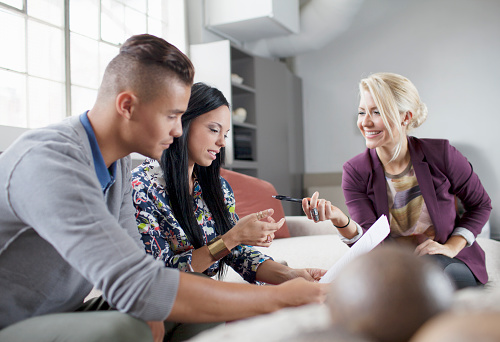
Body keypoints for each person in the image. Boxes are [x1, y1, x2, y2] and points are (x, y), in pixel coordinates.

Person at [0, 34, 327, 342]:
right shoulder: (52, 161)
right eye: (172, 116)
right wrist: (275, 298)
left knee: (191, 292)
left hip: (64, 312)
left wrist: (283, 280)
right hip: (11, 324)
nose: (176, 131)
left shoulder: (120, 169)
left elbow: (140, 269)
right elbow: (137, 283)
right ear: (127, 106)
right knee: (125, 327)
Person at [302, 72, 492, 289]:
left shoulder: (442, 154)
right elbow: (370, 242)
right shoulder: (355, 171)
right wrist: (339, 220)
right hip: (393, 264)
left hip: (447, 261)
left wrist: (450, 247)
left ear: (406, 117)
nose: (365, 122)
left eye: (377, 112)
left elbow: (481, 205)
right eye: (362, 112)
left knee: (428, 270)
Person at [132, 82, 326, 286]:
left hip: (204, 294)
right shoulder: (142, 188)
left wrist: (289, 275)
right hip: (168, 302)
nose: (222, 142)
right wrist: (233, 237)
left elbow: (237, 254)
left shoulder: (218, 187)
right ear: (183, 123)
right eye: (214, 130)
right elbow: (160, 277)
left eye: (224, 134)